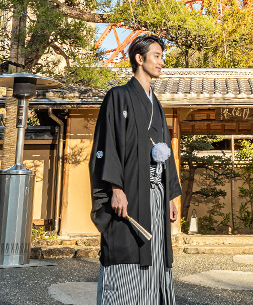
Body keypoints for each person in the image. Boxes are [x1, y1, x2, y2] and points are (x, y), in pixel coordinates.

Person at [90, 35, 181, 305]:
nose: (161, 62)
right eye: (156, 56)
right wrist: (115, 189)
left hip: (156, 193)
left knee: (156, 251)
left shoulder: (157, 104)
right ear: (139, 59)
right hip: (129, 192)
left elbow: (167, 151)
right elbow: (107, 144)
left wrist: (171, 195)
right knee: (129, 246)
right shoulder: (118, 97)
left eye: (162, 57)